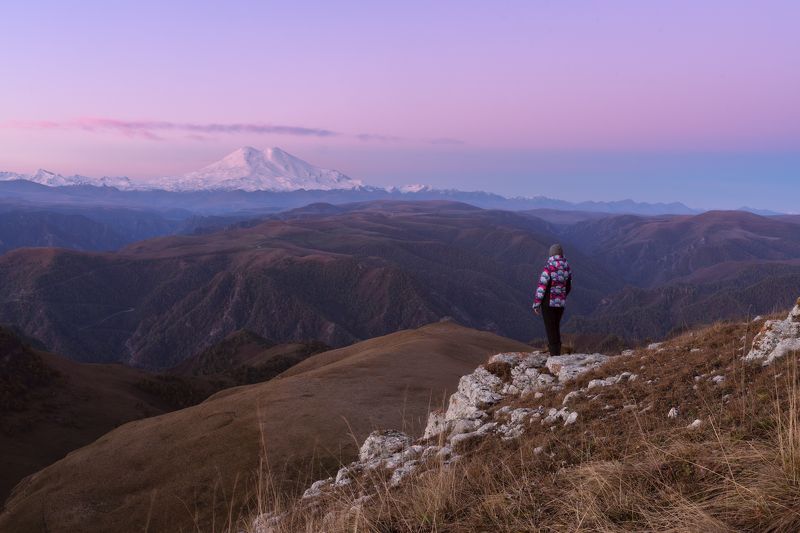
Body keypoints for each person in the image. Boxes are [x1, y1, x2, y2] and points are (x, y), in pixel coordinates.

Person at [532, 243, 573, 356]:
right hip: (560, 304)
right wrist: (561, 296)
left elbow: (541, 288)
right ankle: (557, 351)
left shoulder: (548, 268)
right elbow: (568, 286)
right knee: (555, 327)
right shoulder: (567, 267)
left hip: (548, 303)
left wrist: (536, 304)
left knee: (550, 329)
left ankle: (555, 355)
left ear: (551, 254)